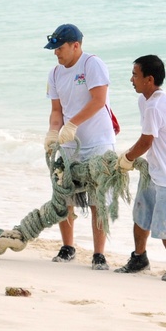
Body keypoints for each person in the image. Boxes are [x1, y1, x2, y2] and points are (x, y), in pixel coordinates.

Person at [43, 24, 117, 269]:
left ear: (76, 45)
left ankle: (99, 254)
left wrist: (72, 123)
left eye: (60, 48)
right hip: (69, 144)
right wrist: (54, 131)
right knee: (64, 194)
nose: (56, 53)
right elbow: (56, 110)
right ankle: (68, 247)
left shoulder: (91, 64)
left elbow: (99, 101)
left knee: (98, 197)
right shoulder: (54, 74)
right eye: (54, 48)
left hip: (98, 141)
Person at [115, 55, 166, 282]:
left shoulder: (156, 105)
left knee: (164, 226)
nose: (131, 79)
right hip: (153, 170)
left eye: (135, 75)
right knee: (141, 215)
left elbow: (146, 141)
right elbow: (149, 141)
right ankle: (139, 259)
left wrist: (126, 158)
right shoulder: (146, 100)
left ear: (149, 79)